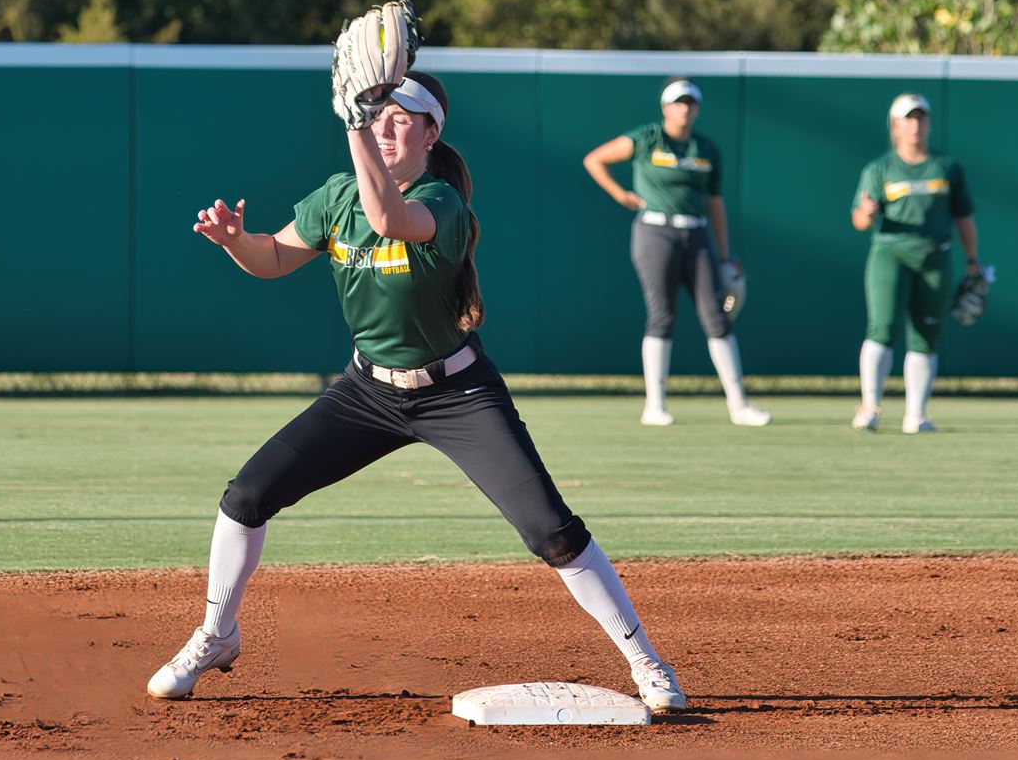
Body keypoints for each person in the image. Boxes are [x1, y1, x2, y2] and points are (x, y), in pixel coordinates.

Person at [146, 68, 687, 716]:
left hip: (457, 392)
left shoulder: (441, 202)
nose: (385, 126)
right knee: (245, 498)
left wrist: (352, 120)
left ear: (432, 133)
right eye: (377, 116)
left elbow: (388, 216)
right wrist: (237, 242)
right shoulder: (337, 197)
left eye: (402, 117)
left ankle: (647, 663)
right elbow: (275, 258)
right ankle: (217, 634)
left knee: (553, 532)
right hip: (366, 392)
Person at [581, 78, 769, 428]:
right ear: (666, 108)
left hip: (696, 233)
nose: (684, 108)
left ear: (696, 108)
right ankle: (655, 404)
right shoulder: (647, 138)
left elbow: (715, 202)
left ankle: (739, 404)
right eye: (678, 102)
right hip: (655, 232)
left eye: (690, 103)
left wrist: (725, 255)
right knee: (661, 315)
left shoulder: (706, 149)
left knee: (716, 315)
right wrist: (620, 195)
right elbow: (594, 160)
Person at [849, 93, 980, 434]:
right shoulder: (880, 169)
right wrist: (866, 213)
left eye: (921, 117)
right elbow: (859, 220)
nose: (915, 124)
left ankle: (916, 414)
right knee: (881, 328)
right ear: (895, 126)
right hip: (890, 253)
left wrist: (972, 262)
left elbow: (964, 218)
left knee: (926, 334)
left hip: (934, 256)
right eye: (908, 118)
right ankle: (870, 407)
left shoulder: (946, 168)